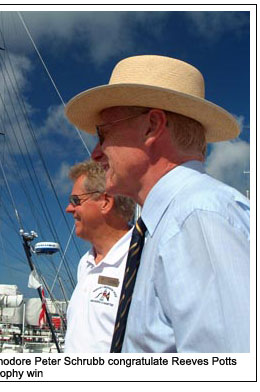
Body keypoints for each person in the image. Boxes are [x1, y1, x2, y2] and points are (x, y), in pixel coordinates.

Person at [65, 55, 250, 353]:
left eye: (103, 133)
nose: (96, 152)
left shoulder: (196, 218)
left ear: (152, 126)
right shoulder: (171, 224)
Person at [63, 159, 135, 352]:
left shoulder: (144, 260)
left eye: (75, 201)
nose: (69, 209)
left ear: (105, 202)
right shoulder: (85, 263)